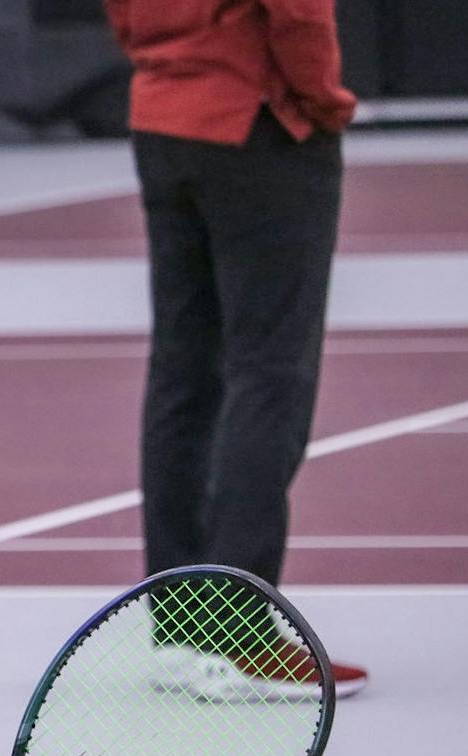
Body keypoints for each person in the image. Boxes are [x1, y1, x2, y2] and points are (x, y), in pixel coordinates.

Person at [104, 0, 368, 696]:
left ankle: (183, 628)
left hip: (163, 115)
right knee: (271, 372)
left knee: (183, 375)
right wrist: (323, 101)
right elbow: (298, 10)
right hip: (258, 124)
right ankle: (240, 627)